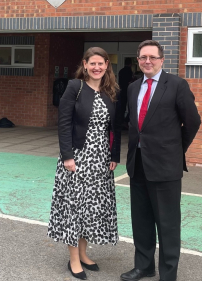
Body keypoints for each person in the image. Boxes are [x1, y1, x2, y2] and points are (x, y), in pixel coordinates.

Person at [120, 40, 201, 281]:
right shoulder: (134, 87)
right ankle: (144, 266)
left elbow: (193, 122)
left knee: (167, 224)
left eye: (152, 57)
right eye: (143, 57)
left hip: (166, 166)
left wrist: (176, 149)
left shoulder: (176, 85)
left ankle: (168, 273)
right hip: (138, 163)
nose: (147, 61)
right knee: (141, 220)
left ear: (162, 60)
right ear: (138, 60)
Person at [48, 47, 121, 280]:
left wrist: (114, 155)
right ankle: (73, 259)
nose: (97, 67)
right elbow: (64, 123)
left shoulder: (110, 92)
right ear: (85, 64)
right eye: (93, 63)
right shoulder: (75, 87)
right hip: (78, 158)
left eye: (101, 63)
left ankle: (83, 252)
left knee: (91, 207)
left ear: (107, 65)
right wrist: (67, 155)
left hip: (101, 159)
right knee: (75, 207)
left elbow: (115, 127)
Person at [117, 58, 134, 128]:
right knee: (131, 106)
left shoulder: (121, 71)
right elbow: (130, 81)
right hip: (129, 90)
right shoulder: (129, 71)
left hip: (121, 90)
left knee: (122, 106)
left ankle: (120, 121)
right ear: (130, 64)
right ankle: (126, 121)